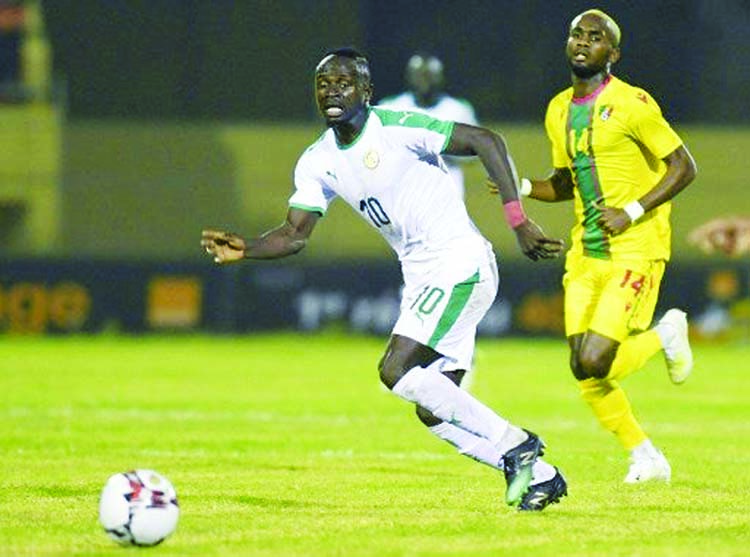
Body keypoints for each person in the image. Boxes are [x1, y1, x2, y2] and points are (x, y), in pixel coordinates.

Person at [202, 47, 568, 511]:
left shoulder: (396, 128)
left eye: (343, 82)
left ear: (366, 91)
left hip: (458, 263)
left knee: (394, 370)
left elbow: (487, 141)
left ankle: (515, 443)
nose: (332, 90)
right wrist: (248, 247)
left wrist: (518, 221)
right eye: (323, 83)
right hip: (422, 277)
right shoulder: (317, 160)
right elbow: (295, 234)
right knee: (433, 408)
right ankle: (542, 476)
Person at [491, 10, 698, 483]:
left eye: (596, 37)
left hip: (635, 247)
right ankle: (645, 455)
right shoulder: (558, 109)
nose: (584, 42)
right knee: (582, 368)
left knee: (594, 359)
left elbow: (684, 167)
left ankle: (664, 335)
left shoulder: (633, 104)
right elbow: (566, 182)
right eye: (577, 34)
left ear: (613, 54)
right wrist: (521, 185)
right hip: (586, 253)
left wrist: (632, 212)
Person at [378, 53, 478, 198]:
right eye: (419, 76)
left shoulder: (457, 110)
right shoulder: (391, 108)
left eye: (428, 76)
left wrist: (445, 147)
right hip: (405, 192)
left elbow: (472, 155)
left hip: (447, 191)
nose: (424, 82)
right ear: (410, 77)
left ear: (439, 78)